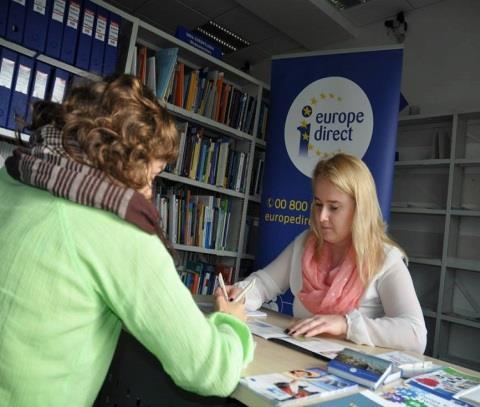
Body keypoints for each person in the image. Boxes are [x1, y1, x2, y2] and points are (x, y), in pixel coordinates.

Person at [0, 74, 253, 405]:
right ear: (130, 162)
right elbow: (209, 370)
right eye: (152, 175)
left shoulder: (13, 176)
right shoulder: (118, 229)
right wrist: (232, 325)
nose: (150, 191)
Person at [228, 153, 427, 353]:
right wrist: (239, 294)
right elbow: (263, 284)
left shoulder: (384, 259)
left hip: (349, 374)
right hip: (297, 359)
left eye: (334, 207)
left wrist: (345, 325)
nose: (322, 217)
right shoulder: (305, 244)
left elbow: (415, 334)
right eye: (318, 204)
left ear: (360, 209)